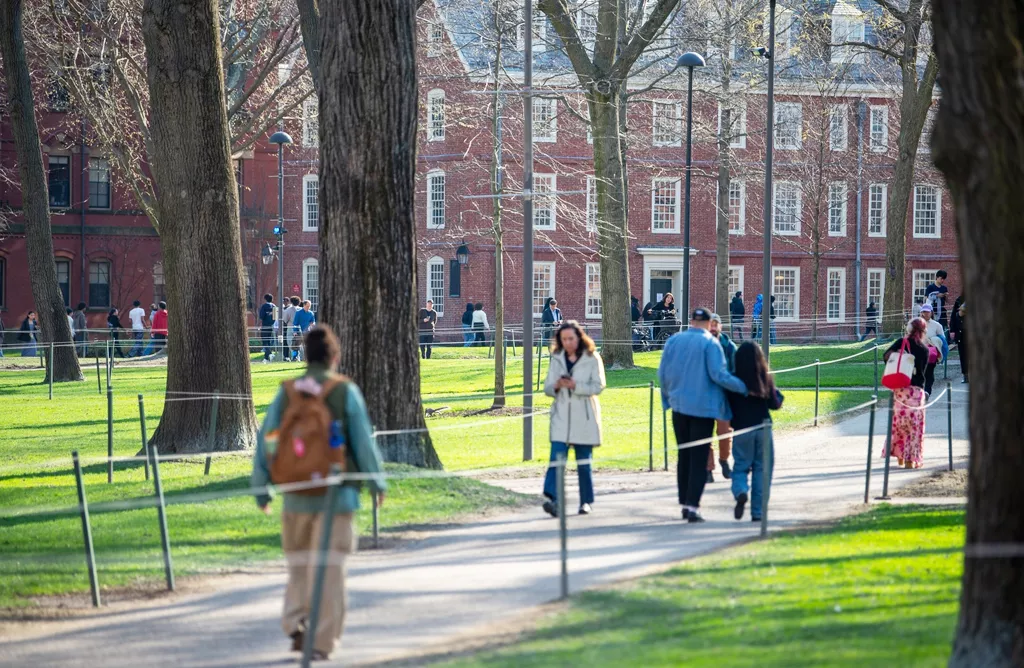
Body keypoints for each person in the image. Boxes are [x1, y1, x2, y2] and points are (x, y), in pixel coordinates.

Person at [250, 325, 386, 662]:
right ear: (335, 357)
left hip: (295, 495)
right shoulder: (344, 392)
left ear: (305, 356)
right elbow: (363, 443)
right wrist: (376, 481)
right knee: (330, 571)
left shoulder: (288, 392)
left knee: (298, 566)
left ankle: (295, 621)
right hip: (336, 499)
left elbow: (267, 439)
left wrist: (262, 488)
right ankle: (322, 641)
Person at [658, 308, 747, 523]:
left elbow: (663, 373)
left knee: (684, 456)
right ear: (709, 323)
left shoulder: (674, 341)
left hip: (679, 407)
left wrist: (666, 400)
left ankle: (684, 502)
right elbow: (718, 375)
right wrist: (743, 387)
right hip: (703, 409)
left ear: (691, 321)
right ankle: (692, 506)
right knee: (698, 459)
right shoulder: (710, 343)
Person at [541, 320, 606, 517]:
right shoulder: (557, 358)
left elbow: (599, 386)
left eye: (571, 338)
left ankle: (586, 501)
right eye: (564, 339)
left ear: (579, 337)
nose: (568, 342)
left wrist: (575, 386)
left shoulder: (592, 357)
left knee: (584, 463)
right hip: (561, 416)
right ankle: (553, 499)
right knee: (556, 459)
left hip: (583, 417)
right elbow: (547, 388)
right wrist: (558, 385)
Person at [727, 342, 785, 522]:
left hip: (741, 429)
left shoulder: (733, 381)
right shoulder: (764, 379)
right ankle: (758, 512)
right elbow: (775, 403)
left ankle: (740, 491)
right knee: (762, 470)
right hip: (763, 426)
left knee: (740, 467)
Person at [883, 318, 930, 469]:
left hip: (901, 388)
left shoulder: (901, 342)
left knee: (899, 424)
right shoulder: (924, 349)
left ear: (910, 329)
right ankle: (911, 459)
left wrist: (899, 357)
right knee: (914, 427)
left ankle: (899, 456)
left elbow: (886, 356)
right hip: (916, 391)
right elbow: (924, 370)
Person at [708, 314, 738, 481]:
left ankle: (724, 460)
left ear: (720, 326)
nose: (713, 327)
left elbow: (737, 371)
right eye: (710, 324)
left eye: (715, 324)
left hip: (723, 397)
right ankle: (708, 468)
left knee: (725, 432)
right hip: (704, 398)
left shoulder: (729, 347)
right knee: (704, 434)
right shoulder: (701, 345)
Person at [919, 304, 945, 395]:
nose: (925, 314)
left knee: (929, 373)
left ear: (931, 312)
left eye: (927, 312)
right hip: (919, 352)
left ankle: (927, 391)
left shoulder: (936, 325)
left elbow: (942, 339)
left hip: (931, 353)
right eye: (923, 312)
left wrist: (933, 341)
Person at [259, 294, 277, 362]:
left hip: (265, 325)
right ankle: (266, 358)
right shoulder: (274, 306)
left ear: (265, 299)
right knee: (269, 341)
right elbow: (276, 317)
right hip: (272, 326)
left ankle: (270, 354)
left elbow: (261, 316)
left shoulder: (264, 306)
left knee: (265, 341)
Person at [283, 296, 300, 360]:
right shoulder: (301, 309)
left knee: (290, 342)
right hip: (299, 328)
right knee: (298, 343)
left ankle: (294, 356)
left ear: (291, 302)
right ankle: (298, 357)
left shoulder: (288, 310)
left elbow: (285, 320)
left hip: (291, 327)